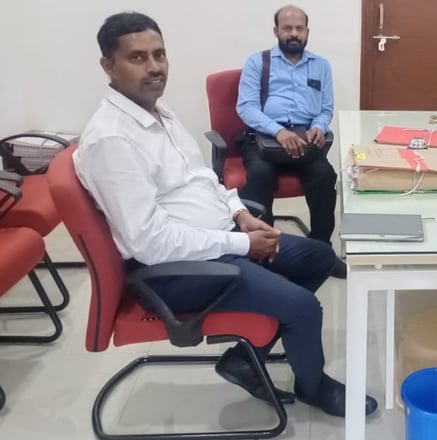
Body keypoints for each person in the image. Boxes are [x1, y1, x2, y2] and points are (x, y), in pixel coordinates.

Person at [75, 12, 376, 417]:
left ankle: (243, 359)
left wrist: (240, 215)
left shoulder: (159, 114)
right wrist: (243, 244)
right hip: (177, 270)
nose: (155, 67)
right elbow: (149, 242)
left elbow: (202, 177)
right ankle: (313, 387)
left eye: (159, 54)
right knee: (304, 306)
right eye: (137, 57)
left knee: (319, 256)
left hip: (217, 239)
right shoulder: (111, 139)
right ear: (108, 66)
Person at [236, 5, 345, 277]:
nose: (294, 33)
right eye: (287, 28)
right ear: (276, 31)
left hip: (304, 142)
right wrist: (278, 132)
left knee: (325, 176)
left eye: (299, 28)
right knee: (259, 175)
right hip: (265, 140)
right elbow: (247, 107)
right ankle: (264, 253)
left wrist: (318, 126)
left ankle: (322, 251)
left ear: (307, 31)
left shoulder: (321, 65)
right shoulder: (257, 62)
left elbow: (325, 109)